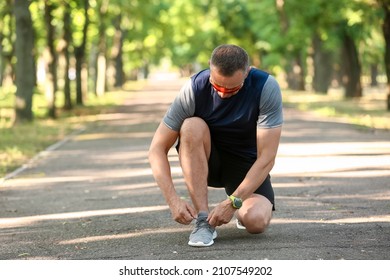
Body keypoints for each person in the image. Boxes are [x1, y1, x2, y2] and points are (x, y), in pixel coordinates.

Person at [148, 44, 283, 247]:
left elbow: (267, 158)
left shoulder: (265, 87)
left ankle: (240, 210)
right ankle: (203, 221)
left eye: (231, 89)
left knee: (256, 222)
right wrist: (173, 200)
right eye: (217, 86)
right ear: (210, 68)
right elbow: (157, 149)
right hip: (207, 162)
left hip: (246, 165)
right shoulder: (194, 88)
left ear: (247, 73)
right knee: (191, 125)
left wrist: (233, 202)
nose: (222, 94)